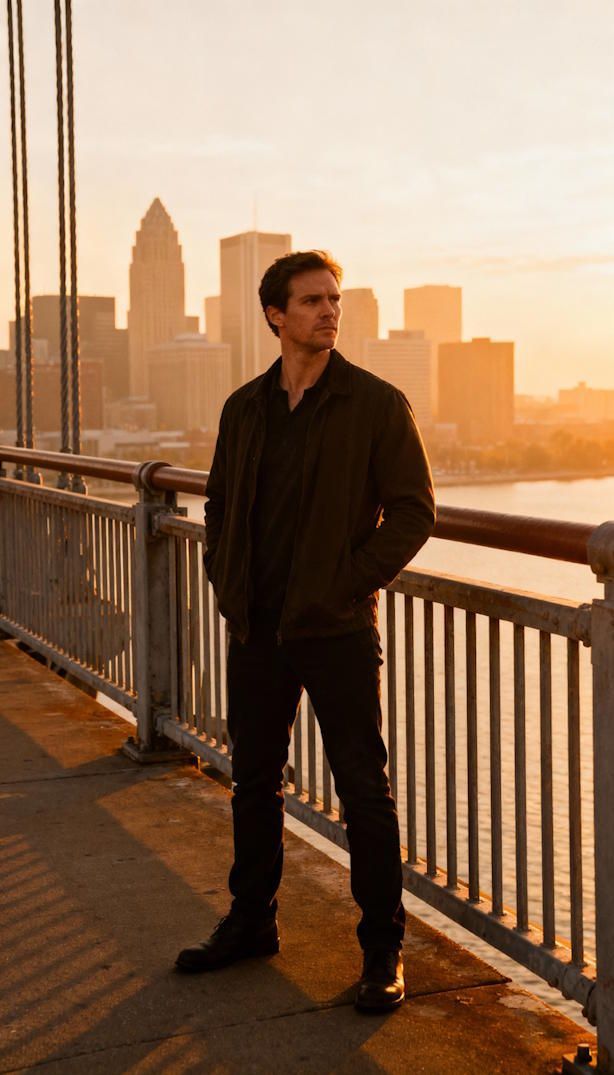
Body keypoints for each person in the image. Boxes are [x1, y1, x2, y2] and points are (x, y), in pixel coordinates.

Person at [175, 250, 435, 1011]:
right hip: (258, 629)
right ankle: (251, 921)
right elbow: (220, 506)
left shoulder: (376, 404)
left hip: (337, 631)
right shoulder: (244, 408)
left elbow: (416, 511)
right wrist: (229, 585)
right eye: (312, 300)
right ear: (274, 315)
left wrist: (347, 583)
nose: (329, 311)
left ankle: (382, 953)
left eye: (335, 299)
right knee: (253, 780)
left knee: (363, 791)